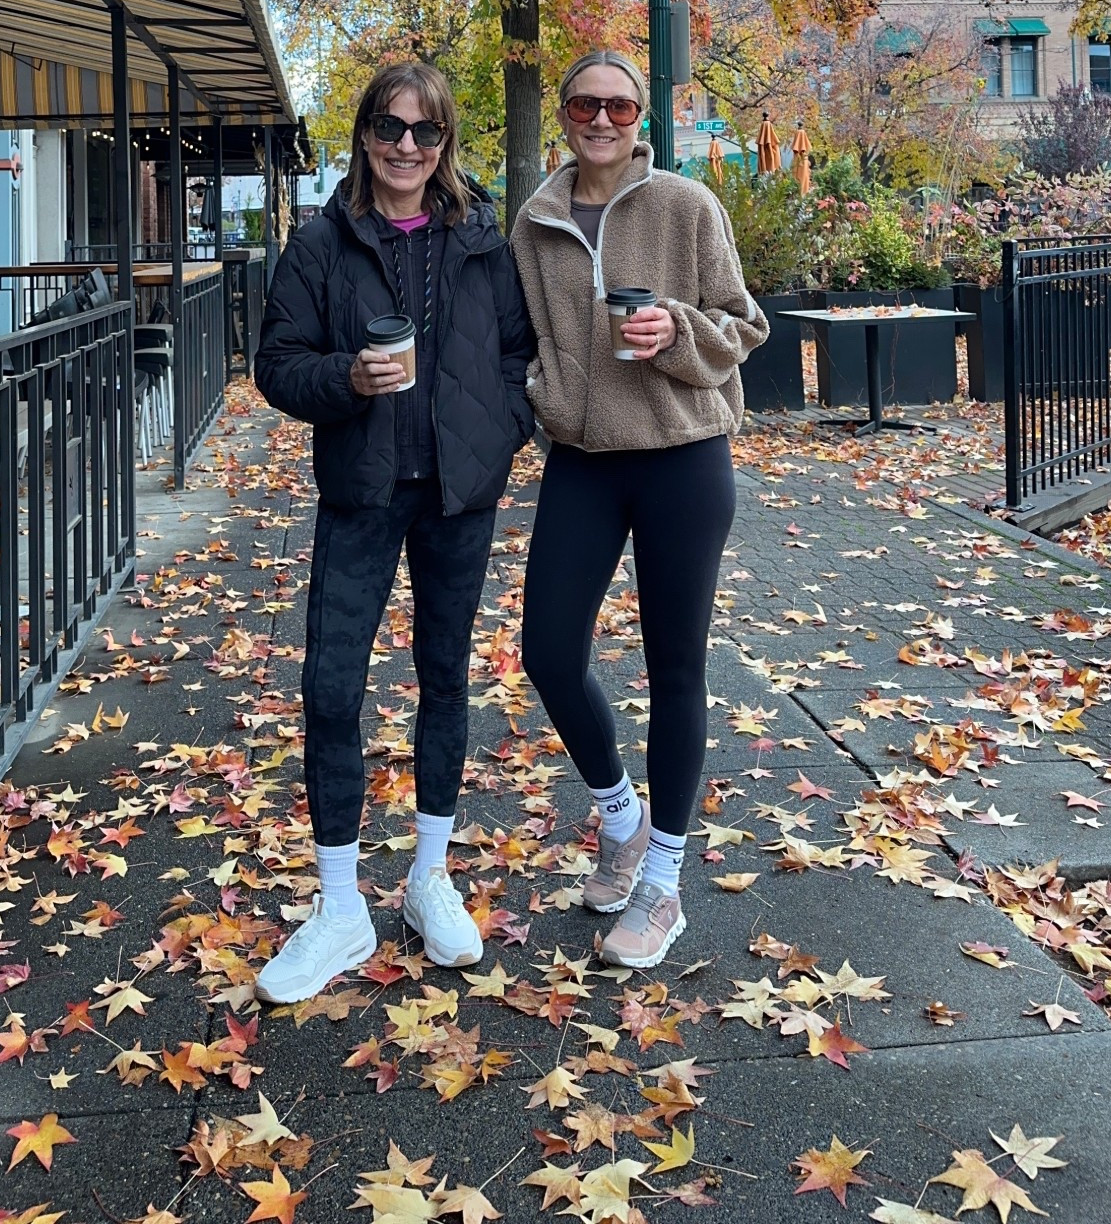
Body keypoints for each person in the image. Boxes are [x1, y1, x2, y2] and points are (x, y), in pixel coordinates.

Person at [252, 62, 535, 1002]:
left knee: (444, 679)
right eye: (388, 126)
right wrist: (345, 381)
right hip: (362, 491)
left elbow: (517, 352)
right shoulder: (323, 242)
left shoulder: (485, 239)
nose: (405, 146)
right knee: (331, 687)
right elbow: (277, 364)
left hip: (460, 494)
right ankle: (339, 908)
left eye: (425, 131)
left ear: (446, 141)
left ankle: (429, 877)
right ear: (364, 131)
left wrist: (500, 431)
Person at [510, 51, 768, 970]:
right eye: (587, 102)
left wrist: (676, 331)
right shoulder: (534, 223)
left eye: (620, 103)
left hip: (683, 461)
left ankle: (662, 884)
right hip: (583, 461)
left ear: (639, 119)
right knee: (546, 652)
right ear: (568, 115)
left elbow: (744, 324)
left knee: (674, 671)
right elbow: (519, 339)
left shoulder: (687, 207)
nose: (603, 118)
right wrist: (541, 392)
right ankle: (620, 817)